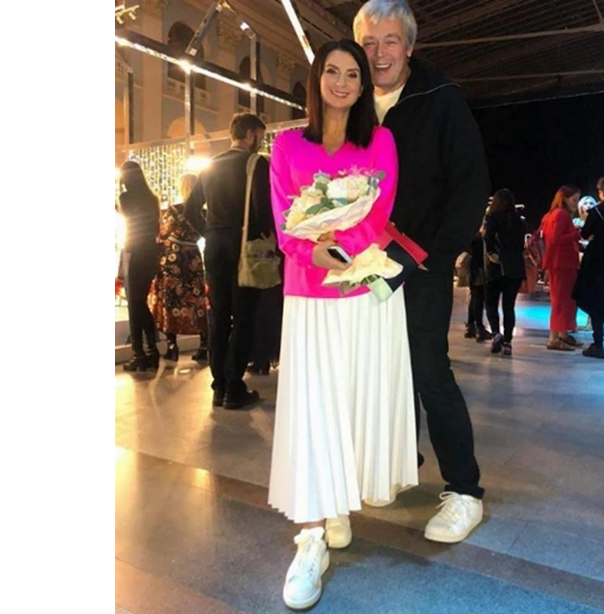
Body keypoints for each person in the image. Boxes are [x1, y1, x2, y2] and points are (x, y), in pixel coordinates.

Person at [267, 38, 417, 610]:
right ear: (316, 79)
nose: (341, 82)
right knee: (313, 406)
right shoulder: (287, 145)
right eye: (331, 71)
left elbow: (379, 212)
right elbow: (284, 221)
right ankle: (311, 537)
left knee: (354, 402)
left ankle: (336, 504)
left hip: (362, 290)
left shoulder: (380, 141)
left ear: (363, 85)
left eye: (352, 74)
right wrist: (313, 250)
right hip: (309, 293)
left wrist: (342, 247)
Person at [354, 0, 489, 543]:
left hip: (422, 261)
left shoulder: (441, 99)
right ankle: (396, 462)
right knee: (381, 367)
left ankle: (464, 489)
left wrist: (434, 254)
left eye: (390, 41)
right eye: (369, 43)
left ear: (410, 46)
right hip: (365, 261)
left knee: (429, 368)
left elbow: (470, 184)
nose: (379, 53)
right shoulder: (354, 101)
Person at [184, 113, 272, 409]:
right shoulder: (255, 163)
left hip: (214, 245)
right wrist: (264, 235)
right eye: (260, 136)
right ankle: (234, 386)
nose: (260, 142)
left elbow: (190, 209)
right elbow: (262, 209)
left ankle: (219, 385)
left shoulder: (210, 165)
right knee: (243, 316)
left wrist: (209, 230)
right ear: (250, 134)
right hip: (244, 247)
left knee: (219, 316)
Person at [150, 173, 208, 363]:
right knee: (196, 299)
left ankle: (172, 345)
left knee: (171, 300)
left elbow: (162, 234)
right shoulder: (203, 213)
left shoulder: (174, 210)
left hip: (173, 259)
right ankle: (204, 344)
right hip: (193, 257)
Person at [118, 160, 161, 371]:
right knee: (140, 302)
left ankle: (139, 354)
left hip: (134, 252)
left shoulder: (125, 198)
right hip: (150, 252)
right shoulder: (152, 199)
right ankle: (151, 350)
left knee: (134, 305)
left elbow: (125, 215)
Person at [573, 176, 604, 358]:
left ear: (601, 191)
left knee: (596, 299)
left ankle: (598, 344)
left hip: (598, 259)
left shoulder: (597, 211)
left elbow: (585, 233)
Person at [483, 188, 527, 356]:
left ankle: (496, 333)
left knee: (491, 303)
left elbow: (487, 237)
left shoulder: (492, 218)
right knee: (509, 306)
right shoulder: (519, 221)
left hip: (496, 266)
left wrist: (491, 253)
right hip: (514, 267)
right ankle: (508, 342)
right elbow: (520, 245)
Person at [541, 184, 583, 351]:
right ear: (565, 198)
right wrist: (578, 234)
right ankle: (554, 338)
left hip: (559, 263)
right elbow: (556, 239)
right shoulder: (561, 215)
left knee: (562, 300)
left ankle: (562, 334)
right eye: (574, 200)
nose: (576, 203)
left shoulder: (551, 215)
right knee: (561, 301)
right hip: (562, 264)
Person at [464, 227, 492, 343]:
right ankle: (479, 328)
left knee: (475, 297)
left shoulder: (473, 236)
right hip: (479, 270)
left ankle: (471, 326)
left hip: (473, 270)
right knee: (478, 298)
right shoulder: (480, 238)